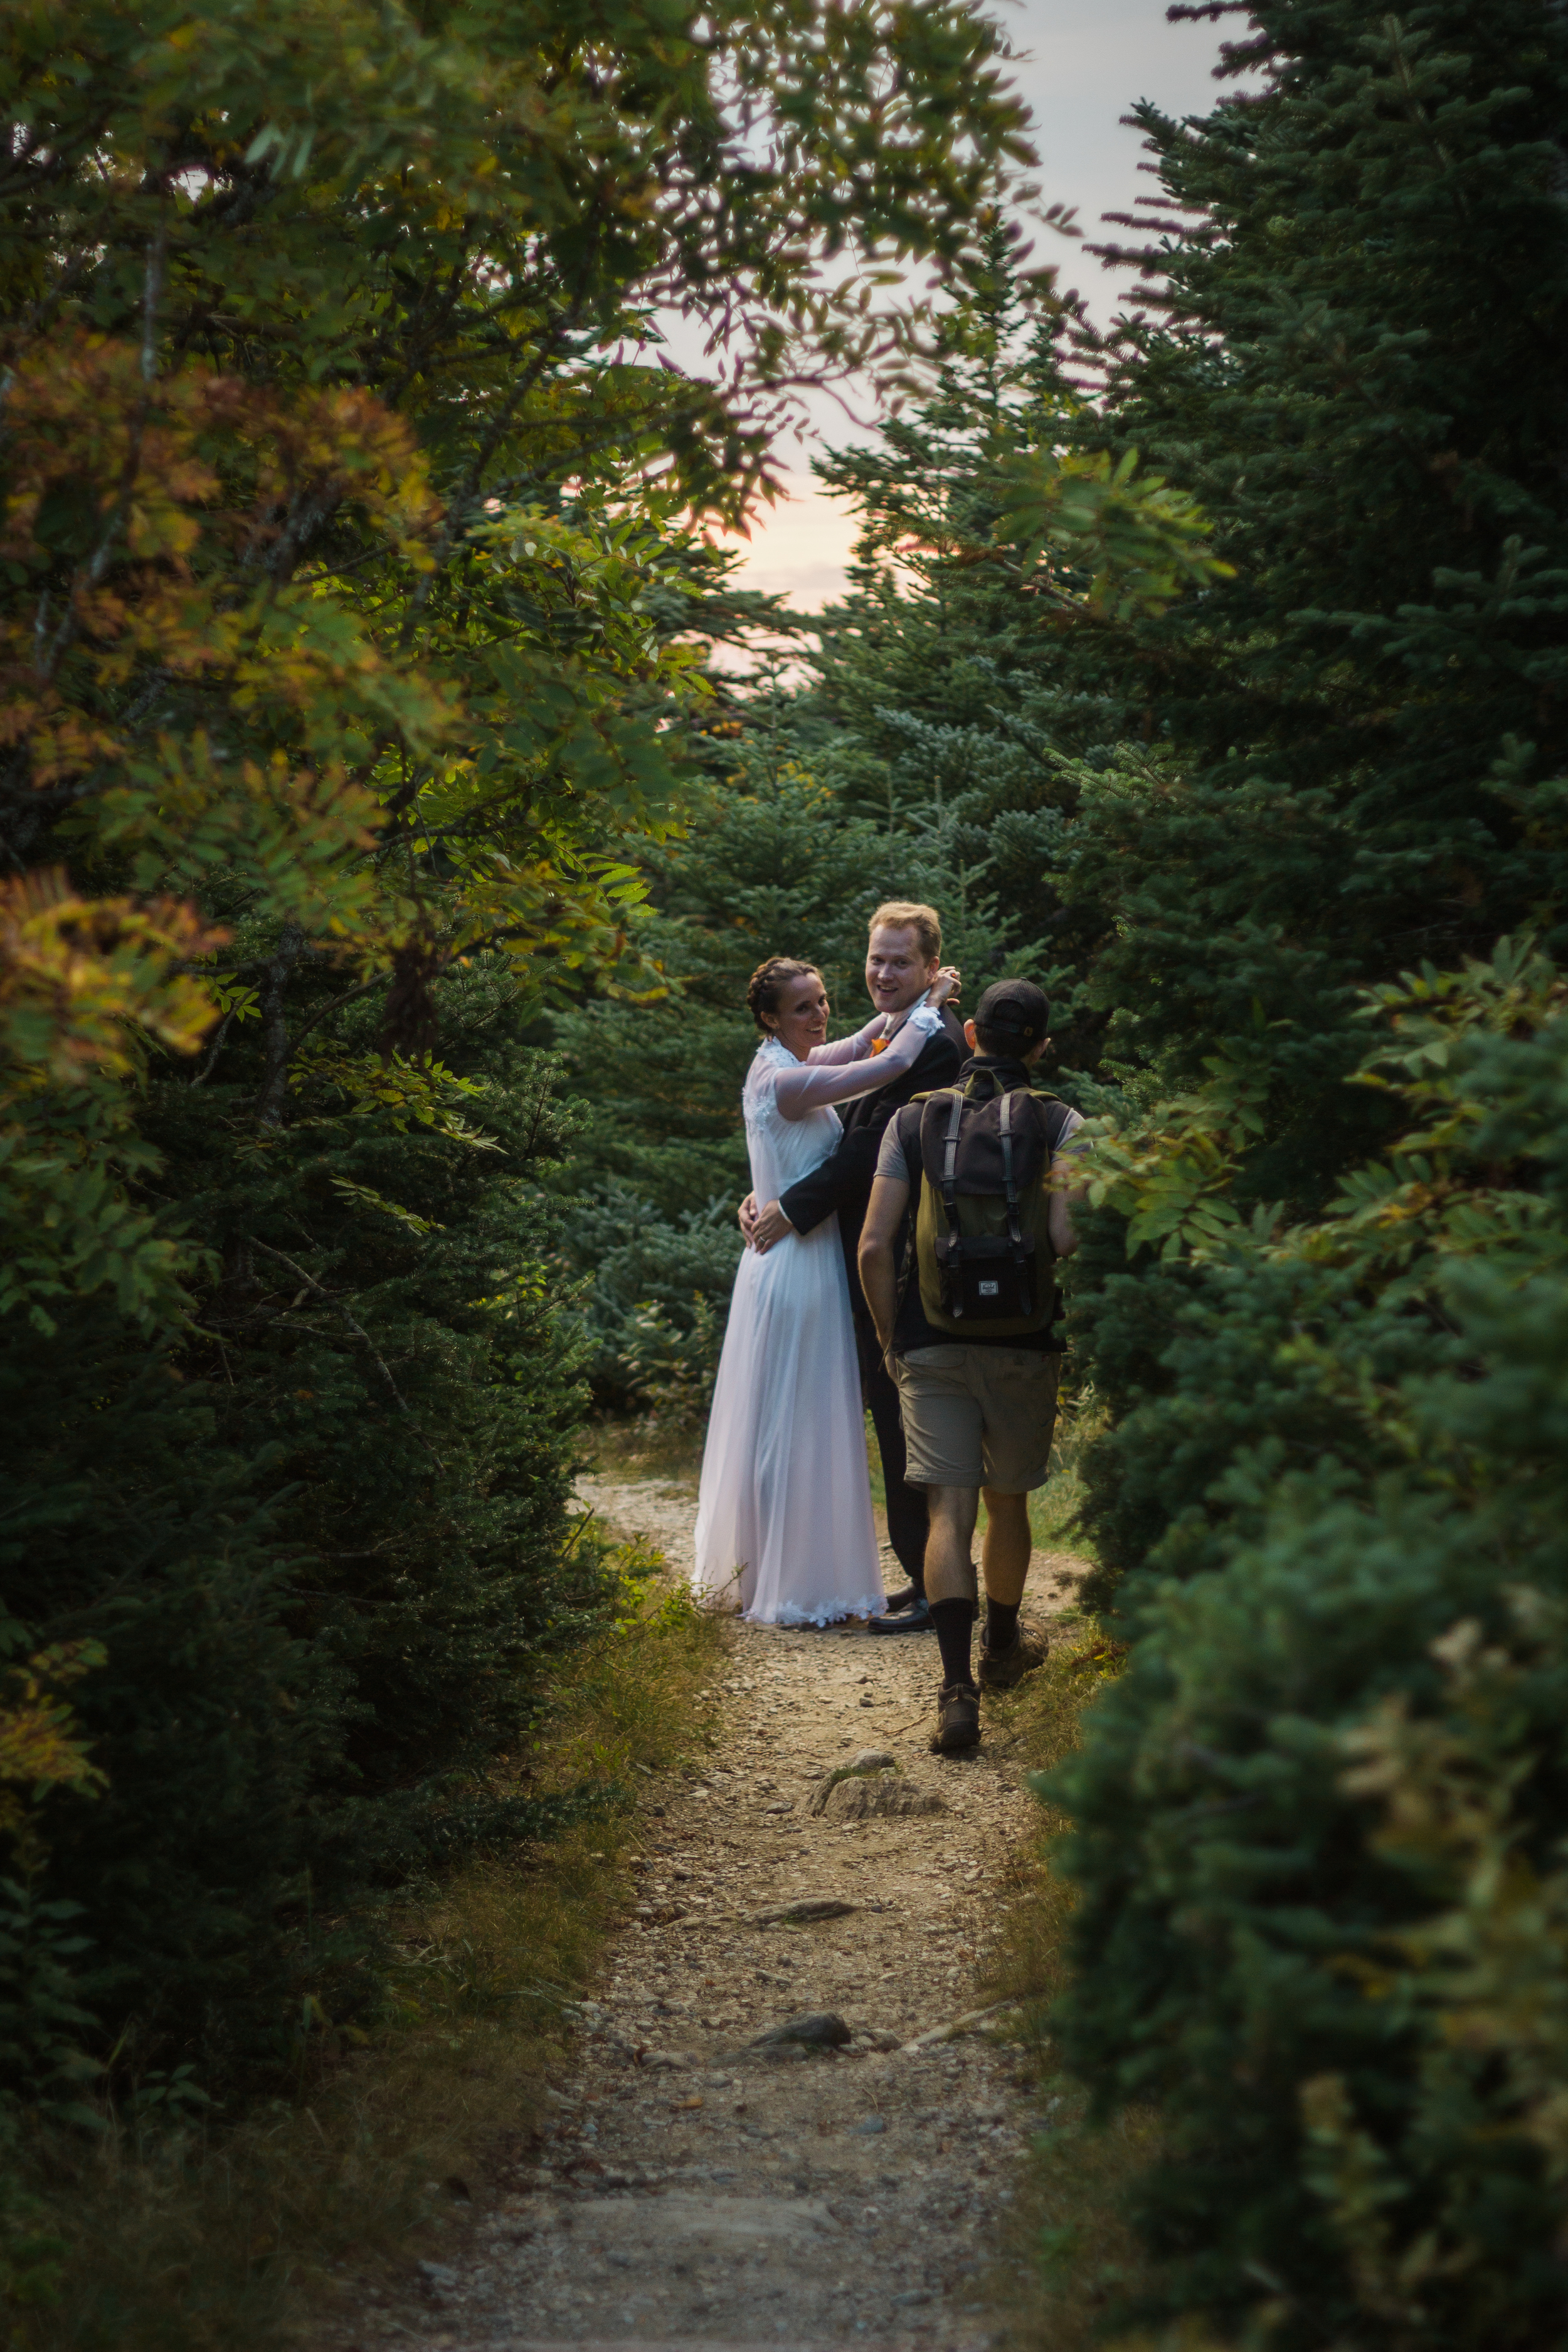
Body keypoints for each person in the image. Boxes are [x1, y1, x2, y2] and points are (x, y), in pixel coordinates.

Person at [693, 950, 961, 1626]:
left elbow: (866, 1038)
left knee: (792, 1414)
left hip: (786, 1255)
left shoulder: (789, 1062)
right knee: (797, 1418)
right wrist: (931, 1006)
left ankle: (775, 1568)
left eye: (820, 1000)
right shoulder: (787, 1081)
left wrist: (918, 996)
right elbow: (889, 1063)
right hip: (796, 1266)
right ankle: (791, 1580)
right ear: (769, 1019)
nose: (819, 1014)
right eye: (803, 1006)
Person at [857, 978, 1088, 1752]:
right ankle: (1003, 1646)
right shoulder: (1063, 1122)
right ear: (1041, 1045)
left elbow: (873, 1246)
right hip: (1023, 1342)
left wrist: (893, 1339)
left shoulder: (911, 1119)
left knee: (948, 1511)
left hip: (931, 1337)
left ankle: (956, 1694)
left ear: (973, 1034)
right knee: (1009, 1503)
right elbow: (1060, 1241)